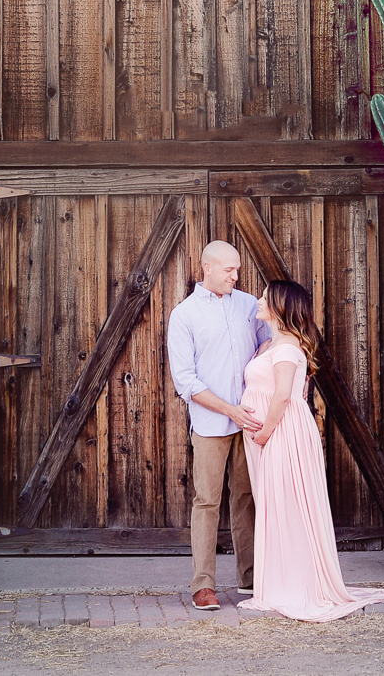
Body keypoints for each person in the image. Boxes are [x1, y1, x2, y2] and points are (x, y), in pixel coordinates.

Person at [238, 280, 384, 622]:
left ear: (280, 308)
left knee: (289, 504)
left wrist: (264, 433)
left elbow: (282, 396)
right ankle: (279, 581)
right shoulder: (269, 345)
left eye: (265, 297)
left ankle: (295, 585)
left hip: (281, 432)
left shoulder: (287, 349)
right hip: (266, 433)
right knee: (274, 505)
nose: (259, 300)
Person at [166, 240, 271, 611]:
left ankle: (252, 578)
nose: (235, 276)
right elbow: (186, 381)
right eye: (229, 269)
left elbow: (269, 345)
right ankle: (203, 585)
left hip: (251, 420)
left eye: (238, 269)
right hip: (211, 423)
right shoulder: (184, 315)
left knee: (247, 498)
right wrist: (230, 408)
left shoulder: (248, 305)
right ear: (206, 267)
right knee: (207, 501)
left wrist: (258, 390)